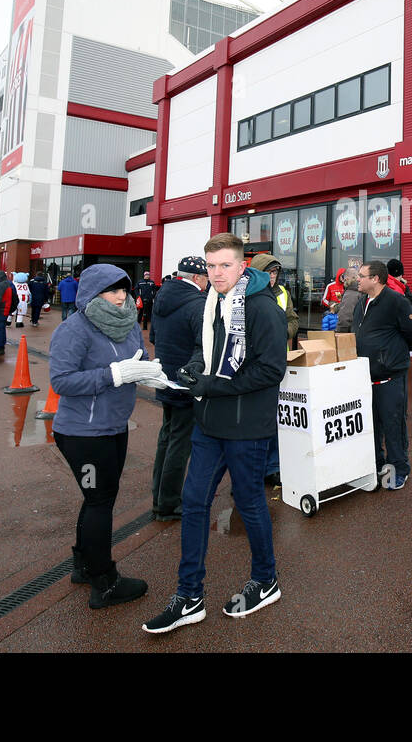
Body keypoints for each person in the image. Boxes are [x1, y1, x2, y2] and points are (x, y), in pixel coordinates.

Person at [143, 233, 287, 635]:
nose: (217, 273)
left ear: (243, 267)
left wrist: (211, 385)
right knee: (193, 502)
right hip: (209, 423)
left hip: (246, 426)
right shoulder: (211, 303)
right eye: (211, 266)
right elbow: (207, 350)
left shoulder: (263, 309)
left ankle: (266, 579)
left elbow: (271, 370)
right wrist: (193, 368)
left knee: (249, 502)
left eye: (225, 265)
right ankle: (189, 595)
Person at [51, 264, 167, 609]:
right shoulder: (75, 329)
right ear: (93, 293)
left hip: (115, 426)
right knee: (100, 501)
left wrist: (147, 370)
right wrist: (112, 375)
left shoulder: (129, 323)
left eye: (124, 290)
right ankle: (104, 581)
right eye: (113, 291)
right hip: (83, 433)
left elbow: (136, 359)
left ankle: (83, 566)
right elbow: (62, 381)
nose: (121, 297)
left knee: (98, 499)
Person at [353, 260, 412, 490]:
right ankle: (376, 464)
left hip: (390, 377)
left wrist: (393, 356)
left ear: (375, 279)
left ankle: (398, 470)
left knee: (393, 426)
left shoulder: (396, 302)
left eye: (362, 275)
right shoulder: (360, 302)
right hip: (365, 377)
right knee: (371, 426)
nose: (358, 279)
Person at [149, 256, 208, 521]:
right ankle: (169, 502)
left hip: (165, 377)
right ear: (196, 278)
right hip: (186, 381)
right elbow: (204, 345)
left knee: (167, 436)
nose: (208, 282)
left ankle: (159, 495)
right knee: (180, 443)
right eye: (206, 277)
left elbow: (153, 337)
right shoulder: (197, 304)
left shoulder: (162, 297)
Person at [248, 252, 299, 484]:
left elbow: (293, 319)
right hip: (253, 364)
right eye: (268, 272)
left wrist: (282, 331)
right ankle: (252, 469)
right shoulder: (246, 294)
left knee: (274, 417)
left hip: (278, 361)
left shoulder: (282, 293)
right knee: (254, 420)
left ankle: (272, 467)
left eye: (275, 272)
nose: (272, 276)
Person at [335, 267, 365, 333]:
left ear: (347, 278)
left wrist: (339, 333)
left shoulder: (351, 293)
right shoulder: (362, 290)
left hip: (352, 334)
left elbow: (345, 319)